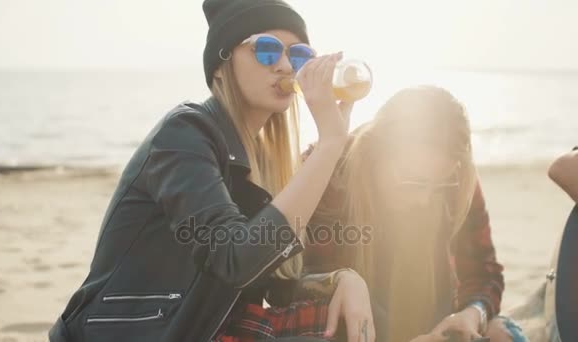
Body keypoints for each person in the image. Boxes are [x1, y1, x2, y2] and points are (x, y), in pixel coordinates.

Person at [48, 0, 374, 341]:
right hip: (130, 333)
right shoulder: (184, 134)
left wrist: (340, 279)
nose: (283, 66)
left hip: (200, 329)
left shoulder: (260, 160)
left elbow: (275, 284)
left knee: (342, 319)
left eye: (297, 55)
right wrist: (331, 144)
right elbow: (238, 261)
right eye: (265, 50)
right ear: (221, 65)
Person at [295, 86, 529, 342]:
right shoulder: (328, 174)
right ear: (375, 154)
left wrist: (474, 313)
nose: (425, 199)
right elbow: (290, 287)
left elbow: (483, 271)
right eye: (414, 183)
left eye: (438, 185)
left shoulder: (457, 181)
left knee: (504, 333)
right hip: (348, 331)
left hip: (434, 325)